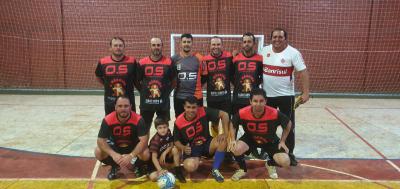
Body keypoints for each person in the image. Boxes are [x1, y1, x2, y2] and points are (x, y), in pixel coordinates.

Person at [261, 28, 310, 166]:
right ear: (271, 38)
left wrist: (306, 92)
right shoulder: (264, 51)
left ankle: (290, 153)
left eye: (280, 37)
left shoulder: (293, 53)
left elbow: (303, 72)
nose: (277, 39)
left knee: (288, 125)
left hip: (286, 97)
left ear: (285, 39)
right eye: (274, 37)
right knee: (267, 126)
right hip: (267, 97)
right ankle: (269, 150)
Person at [227, 88, 292, 180]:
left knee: (285, 162)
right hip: (250, 139)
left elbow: (288, 124)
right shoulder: (242, 112)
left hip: (270, 140)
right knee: (234, 148)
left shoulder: (274, 113)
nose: (258, 104)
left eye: (261, 101)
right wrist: (233, 139)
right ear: (250, 101)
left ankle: (270, 164)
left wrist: (282, 141)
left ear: (266, 101)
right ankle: (242, 169)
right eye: (255, 101)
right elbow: (232, 124)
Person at [173, 96, 230, 183]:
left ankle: (215, 169)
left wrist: (225, 133)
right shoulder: (178, 121)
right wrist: (183, 148)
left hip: (207, 144)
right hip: (192, 149)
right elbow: (176, 141)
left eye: (193, 107)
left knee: (223, 140)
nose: (191, 110)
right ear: (184, 107)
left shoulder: (203, 111)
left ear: (198, 107)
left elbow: (224, 114)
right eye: (188, 107)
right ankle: (197, 159)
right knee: (190, 167)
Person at [94, 96, 150, 180]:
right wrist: (113, 154)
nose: (123, 108)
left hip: (132, 146)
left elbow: (144, 140)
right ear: (115, 107)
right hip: (115, 146)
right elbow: (100, 140)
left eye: (126, 106)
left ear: (131, 107)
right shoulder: (108, 119)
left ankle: (136, 166)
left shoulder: (138, 119)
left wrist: (131, 155)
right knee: (98, 151)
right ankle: (115, 166)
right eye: (120, 106)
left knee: (146, 154)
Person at [137, 38, 176, 131]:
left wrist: (167, 92)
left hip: (163, 103)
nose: (156, 47)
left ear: (162, 46)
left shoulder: (169, 62)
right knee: (144, 128)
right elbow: (136, 80)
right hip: (146, 103)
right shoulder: (142, 62)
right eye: (154, 45)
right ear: (150, 47)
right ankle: (144, 145)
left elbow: (174, 80)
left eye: (158, 45)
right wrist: (143, 92)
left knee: (163, 127)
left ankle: (164, 145)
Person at [95, 37, 139, 115]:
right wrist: (106, 84)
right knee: (111, 123)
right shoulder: (103, 62)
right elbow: (98, 76)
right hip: (110, 100)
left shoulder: (132, 61)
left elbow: (137, 78)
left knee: (130, 123)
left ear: (124, 47)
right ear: (110, 48)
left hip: (128, 101)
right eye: (115, 45)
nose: (118, 48)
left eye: (120, 45)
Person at [201, 36, 233, 137]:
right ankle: (215, 140)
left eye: (218, 44)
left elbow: (233, 74)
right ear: (210, 46)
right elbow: (203, 78)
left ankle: (226, 143)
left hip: (226, 98)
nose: (216, 46)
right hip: (212, 98)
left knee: (226, 122)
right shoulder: (205, 60)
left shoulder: (229, 57)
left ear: (222, 45)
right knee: (214, 122)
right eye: (213, 44)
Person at [172, 33, 204, 118]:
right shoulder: (174, 59)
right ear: (180, 43)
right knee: (179, 121)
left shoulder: (199, 58)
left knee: (198, 120)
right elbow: (171, 78)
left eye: (189, 42)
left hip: (196, 97)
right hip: (179, 97)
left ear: (192, 43)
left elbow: (204, 76)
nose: (186, 44)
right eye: (184, 42)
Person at [232, 32, 263, 118]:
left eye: (249, 42)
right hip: (237, 98)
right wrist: (237, 84)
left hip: (253, 99)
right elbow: (231, 75)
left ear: (254, 43)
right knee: (235, 123)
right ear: (242, 43)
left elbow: (263, 76)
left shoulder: (260, 59)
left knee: (251, 122)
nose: (246, 44)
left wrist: (256, 84)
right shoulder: (235, 59)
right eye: (244, 42)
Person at [148, 117, 186, 183]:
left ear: (168, 127)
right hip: (156, 161)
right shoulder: (155, 141)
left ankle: (178, 171)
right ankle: (165, 172)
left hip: (164, 158)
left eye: (164, 127)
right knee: (153, 177)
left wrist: (164, 153)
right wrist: (160, 170)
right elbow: (153, 158)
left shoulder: (168, 132)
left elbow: (171, 144)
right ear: (156, 128)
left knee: (175, 149)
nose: (163, 130)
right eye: (160, 128)